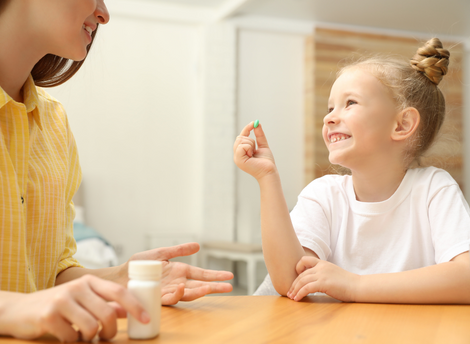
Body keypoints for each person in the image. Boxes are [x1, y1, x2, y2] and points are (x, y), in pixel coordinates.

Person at [0, 0, 233, 342]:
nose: (104, 13)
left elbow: (49, 273)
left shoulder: (54, 123)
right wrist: (11, 309)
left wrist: (121, 278)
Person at [234, 38, 470, 304]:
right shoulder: (323, 195)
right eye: (330, 107)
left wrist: (356, 286)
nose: (329, 117)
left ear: (402, 124)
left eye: (350, 103)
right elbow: (291, 281)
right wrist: (267, 178)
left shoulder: (434, 189)